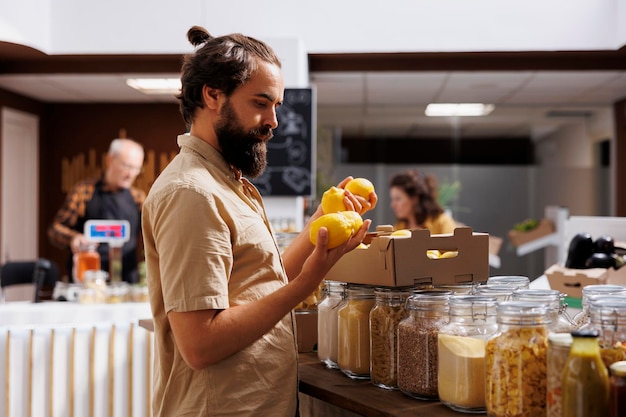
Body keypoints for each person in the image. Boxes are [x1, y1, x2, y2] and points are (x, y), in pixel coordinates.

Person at [141, 26, 377, 417]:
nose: (274, 121)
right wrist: (307, 283)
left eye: (277, 106)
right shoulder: (192, 193)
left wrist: (321, 220)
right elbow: (201, 344)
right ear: (212, 95)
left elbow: (259, 283)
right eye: (261, 103)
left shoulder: (229, 184)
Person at [48, 138, 145, 283]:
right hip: (87, 278)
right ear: (110, 160)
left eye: (136, 168)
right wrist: (74, 238)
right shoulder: (84, 192)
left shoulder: (138, 198)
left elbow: (155, 234)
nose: (131, 174)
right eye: (127, 166)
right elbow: (55, 229)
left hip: (126, 279)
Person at [389, 170, 457, 234]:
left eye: (398, 199)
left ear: (415, 198)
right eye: (392, 199)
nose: (393, 205)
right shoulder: (399, 227)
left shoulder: (442, 222)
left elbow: (455, 245)